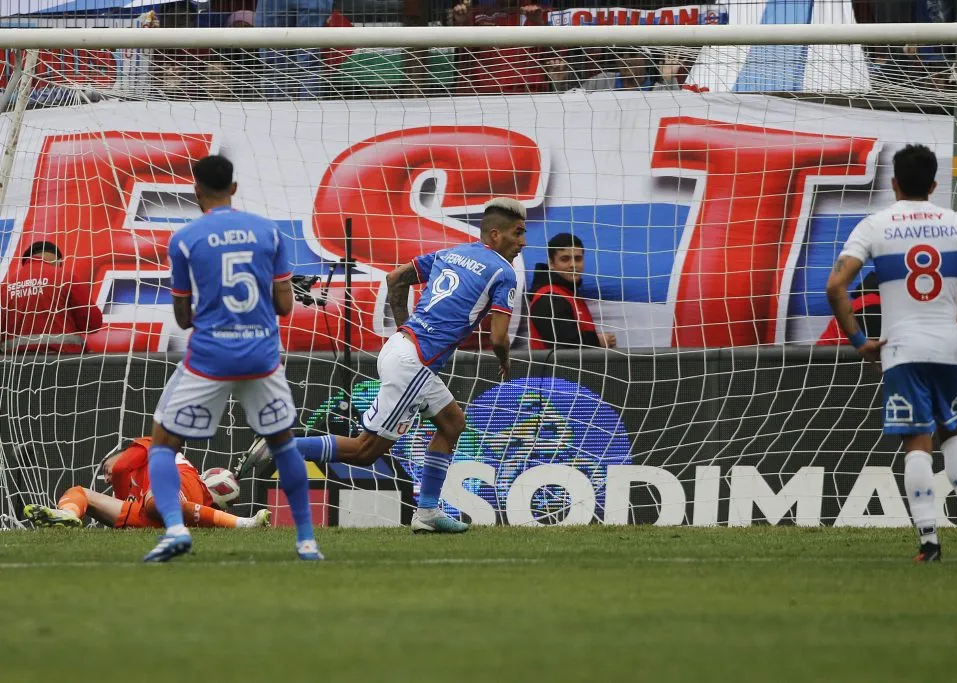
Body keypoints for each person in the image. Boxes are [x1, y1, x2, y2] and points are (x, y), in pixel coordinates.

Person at [237, 198, 526, 533]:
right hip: (414, 363)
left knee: (452, 424)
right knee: (364, 451)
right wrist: (505, 363)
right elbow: (499, 338)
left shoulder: (451, 254)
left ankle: (428, 512)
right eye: (517, 234)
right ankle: (281, 445)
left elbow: (395, 279)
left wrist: (407, 325)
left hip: (403, 348)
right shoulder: (504, 273)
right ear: (494, 234)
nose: (522, 242)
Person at [826, 143, 957, 562]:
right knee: (953, 431)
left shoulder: (875, 226)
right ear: (934, 184)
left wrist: (861, 342)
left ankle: (930, 541)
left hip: (902, 346)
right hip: (949, 344)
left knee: (917, 441)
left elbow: (835, 287)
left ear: (894, 183)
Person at [143, 154, 318, 563]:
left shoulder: (184, 239)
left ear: (195, 191)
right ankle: (306, 540)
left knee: (162, 444)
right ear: (234, 188)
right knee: (284, 444)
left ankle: (173, 529)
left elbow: (183, 317)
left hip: (209, 358)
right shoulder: (269, 233)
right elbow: (285, 306)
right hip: (261, 355)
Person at [23, 437, 270, 530]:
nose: (107, 475)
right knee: (80, 493)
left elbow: (119, 467)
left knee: (157, 503)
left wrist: (117, 476)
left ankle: (245, 523)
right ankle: (66, 515)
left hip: (171, 490)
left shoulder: (152, 445)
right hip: (150, 511)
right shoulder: (147, 483)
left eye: (105, 469)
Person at [1, 241, 103, 353]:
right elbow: (93, 323)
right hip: (62, 362)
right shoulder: (64, 277)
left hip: (14, 364)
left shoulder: (5, 287)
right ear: (58, 261)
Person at [528, 233, 615, 350]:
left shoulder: (568, 293)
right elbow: (564, 343)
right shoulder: (549, 297)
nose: (573, 265)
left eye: (578, 259)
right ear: (551, 264)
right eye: (565, 259)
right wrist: (597, 341)